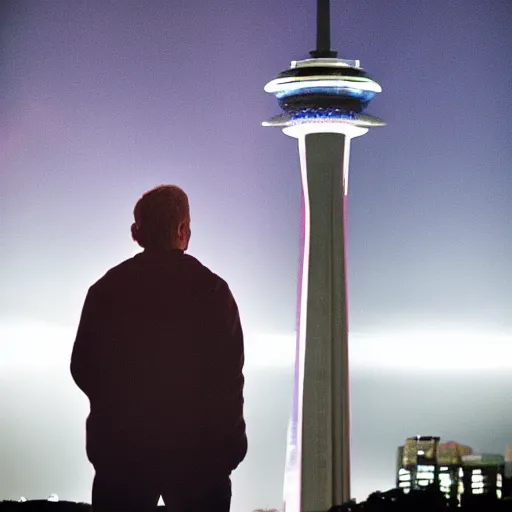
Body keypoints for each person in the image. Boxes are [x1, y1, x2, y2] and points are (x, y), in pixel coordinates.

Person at [70, 185, 247, 512]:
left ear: (136, 232)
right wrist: (228, 449)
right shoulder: (213, 292)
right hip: (200, 461)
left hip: (122, 459)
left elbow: (82, 367)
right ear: (182, 229)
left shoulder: (106, 291)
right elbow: (228, 376)